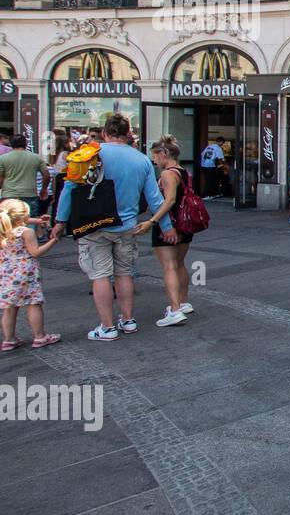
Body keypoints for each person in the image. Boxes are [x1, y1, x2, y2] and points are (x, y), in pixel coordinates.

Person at [50, 112, 177, 342]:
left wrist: (60, 222)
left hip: (94, 225)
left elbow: (68, 191)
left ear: (105, 133)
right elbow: (155, 199)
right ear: (128, 134)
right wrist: (166, 226)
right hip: (128, 226)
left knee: (100, 276)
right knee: (125, 273)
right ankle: (128, 320)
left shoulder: (89, 154)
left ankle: (107, 327)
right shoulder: (141, 160)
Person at [147, 135, 195, 327]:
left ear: (164, 153)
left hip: (170, 224)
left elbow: (169, 201)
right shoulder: (184, 172)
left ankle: (174, 309)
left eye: (156, 155)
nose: (154, 160)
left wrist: (152, 221)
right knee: (179, 264)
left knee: (169, 266)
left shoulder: (167, 174)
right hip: (186, 223)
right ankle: (183, 302)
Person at [0, 199, 59, 351]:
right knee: (33, 303)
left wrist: (38, 220)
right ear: (22, 216)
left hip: (6, 273)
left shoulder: (3, 229)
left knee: (9, 307)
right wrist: (53, 241)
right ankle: (40, 336)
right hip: (26, 272)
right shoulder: (26, 232)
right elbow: (35, 252)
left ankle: (9, 340)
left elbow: (19, 219)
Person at [0, 134, 52, 220]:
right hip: (30, 194)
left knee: (9, 221)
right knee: (30, 219)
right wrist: (43, 189)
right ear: (26, 144)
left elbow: (0, 178)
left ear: (11, 144)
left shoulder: (3, 158)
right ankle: (29, 233)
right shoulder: (36, 158)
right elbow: (46, 175)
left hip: (9, 194)